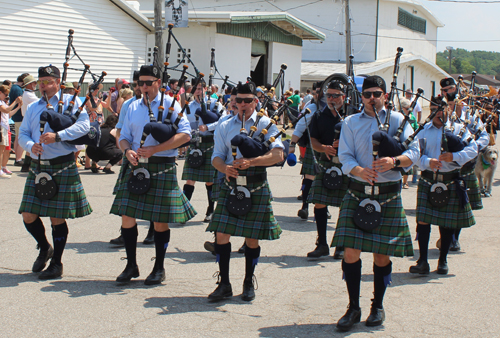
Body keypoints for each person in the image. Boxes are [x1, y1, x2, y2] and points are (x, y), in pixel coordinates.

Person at [331, 76, 418, 331]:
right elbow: (344, 154)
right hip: (358, 191)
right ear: (362, 96)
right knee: (350, 252)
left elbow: (414, 152)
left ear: (384, 95)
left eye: (376, 93)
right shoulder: (351, 122)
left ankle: (377, 305)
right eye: (367, 93)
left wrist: (395, 162)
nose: (372, 98)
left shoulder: (399, 121)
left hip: (388, 192)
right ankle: (353, 307)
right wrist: (357, 169)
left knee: (381, 255)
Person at [110, 65, 196, 285]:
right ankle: (131, 265)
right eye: (141, 83)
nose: (144, 87)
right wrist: (126, 149)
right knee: (127, 216)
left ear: (158, 82)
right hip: (135, 164)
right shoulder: (131, 106)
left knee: (159, 221)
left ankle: (159, 267)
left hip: (161, 164)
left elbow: (185, 135)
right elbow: (123, 135)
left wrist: (155, 149)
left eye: (149, 82)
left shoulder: (171, 104)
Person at [206, 81, 283, 302]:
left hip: (256, 183)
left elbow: (278, 155)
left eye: (247, 100)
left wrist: (252, 161)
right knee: (221, 234)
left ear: (255, 101)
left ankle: (248, 281)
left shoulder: (266, 124)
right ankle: (225, 283)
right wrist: (225, 168)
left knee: (252, 237)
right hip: (231, 183)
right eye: (238, 100)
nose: (242, 104)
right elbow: (216, 157)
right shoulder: (224, 125)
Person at [18, 65, 92, 279]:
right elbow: (23, 132)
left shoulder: (72, 102)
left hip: (63, 164)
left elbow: (84, 127)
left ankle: (57, 263)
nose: (43, 85)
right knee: (28, 214)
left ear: (58, 83)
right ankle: (44, 247)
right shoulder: (33, 106)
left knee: (56, 217)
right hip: (39, 165)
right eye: (41, 81)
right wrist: (31, 145)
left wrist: (58, 136)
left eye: (48, 81)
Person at [410, 95, 477, 276]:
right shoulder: (423, 131)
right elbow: (414, 154)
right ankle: (423, 261)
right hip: (428, 179)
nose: (439, 112)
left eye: (442, 108)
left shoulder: (458, 128)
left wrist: (454, 157)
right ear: (431, 111)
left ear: (448, 109)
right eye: (435, 109)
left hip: (450, 179)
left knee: (446, 224)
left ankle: (442, 260)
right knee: (423, 221)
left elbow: (473, 150)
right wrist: (427, 162)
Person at [440, 77, 488, 251]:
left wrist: (472, 149)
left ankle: (454, 238)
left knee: (461, 205)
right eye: (445, 91)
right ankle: (445, 237)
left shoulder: (471, 114)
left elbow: (484, 137)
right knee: (442, 202)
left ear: (457, 90)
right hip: (447, 164)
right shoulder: (441, 111)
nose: (448, 93)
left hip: (466, 165)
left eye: (451, 89)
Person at [110, 70, 154, 246]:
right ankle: (125, 233)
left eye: (143, 83)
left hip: (152, 157)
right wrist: (125, 150)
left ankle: (151, 231)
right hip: (131, 155)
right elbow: (120, 130)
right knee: (127, 198)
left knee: (152, 198)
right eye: (137, 84)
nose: (139, 87)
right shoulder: (129, 105)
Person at [306, 80, 347, 260]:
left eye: (335, 96)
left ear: (343, 97)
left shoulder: (353, 115)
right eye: (328, 95)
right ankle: (322, 243)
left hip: (347, 165)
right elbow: (313, 140)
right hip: (326, 162)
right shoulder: (319, 116)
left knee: (346, 205)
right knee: (320, 203)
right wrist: (324, 148)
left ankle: (341, 244)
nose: (331, 99)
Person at [181, 81, 222, 223]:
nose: (198, 91)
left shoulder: (215, 104)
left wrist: (208, 127)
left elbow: (223, 122)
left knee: (210, 181)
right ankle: (184, 211)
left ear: (206, 89)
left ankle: (210, 210)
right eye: (196, 89)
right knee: (190, 179)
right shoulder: (188, 107)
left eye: (200, 89)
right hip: (195, 144)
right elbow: (184, 123)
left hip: (210, 143)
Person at [290, 82, 321, 220]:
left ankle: (322, 208)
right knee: (309, 176)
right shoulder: (312, 107)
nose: (317, 95)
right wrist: (292, 144)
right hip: (313, 146)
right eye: (315, 92)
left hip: (331, 148)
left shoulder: (336, 107)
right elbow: (300, 126)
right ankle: (305, 206)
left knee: (325, 179)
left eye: (319, 92)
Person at [0, 85, 23, 178]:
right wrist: (15, 102)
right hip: (1, 128)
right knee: (1, 150)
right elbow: (6, 110)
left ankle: (3, 168)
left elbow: (9, 114)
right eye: (5, 94)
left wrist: (18, 107)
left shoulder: (2, 102)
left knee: (6, 150)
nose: (6, 96)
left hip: (5, 127)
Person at [397, 98, 419, 189]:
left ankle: (405, 182)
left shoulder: (412, 117)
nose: (409, 110)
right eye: (407, 108)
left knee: (407, 161)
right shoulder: (396, 116)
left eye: (410, 108)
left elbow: (416, 127)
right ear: (401, 108)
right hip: (398, 142)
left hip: (410, 141)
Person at [20, 75, 39, 172]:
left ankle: (26, 165)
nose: (35, 85)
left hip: (29, 119)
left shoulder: (28, 93)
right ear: (30, 84)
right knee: (32, 142)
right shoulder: (29, 95)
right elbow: (40, 103)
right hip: (30, 120)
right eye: (35, 83)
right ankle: (27, 165)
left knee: (31, 142)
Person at [10, 73, 29, 167]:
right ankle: (18, 159)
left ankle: (18, 157)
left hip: (16, 117)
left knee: (17, 137)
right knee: (21, 138)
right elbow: (21, 102)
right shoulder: (18, 90)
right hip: (20, 116)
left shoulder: (13, 87)